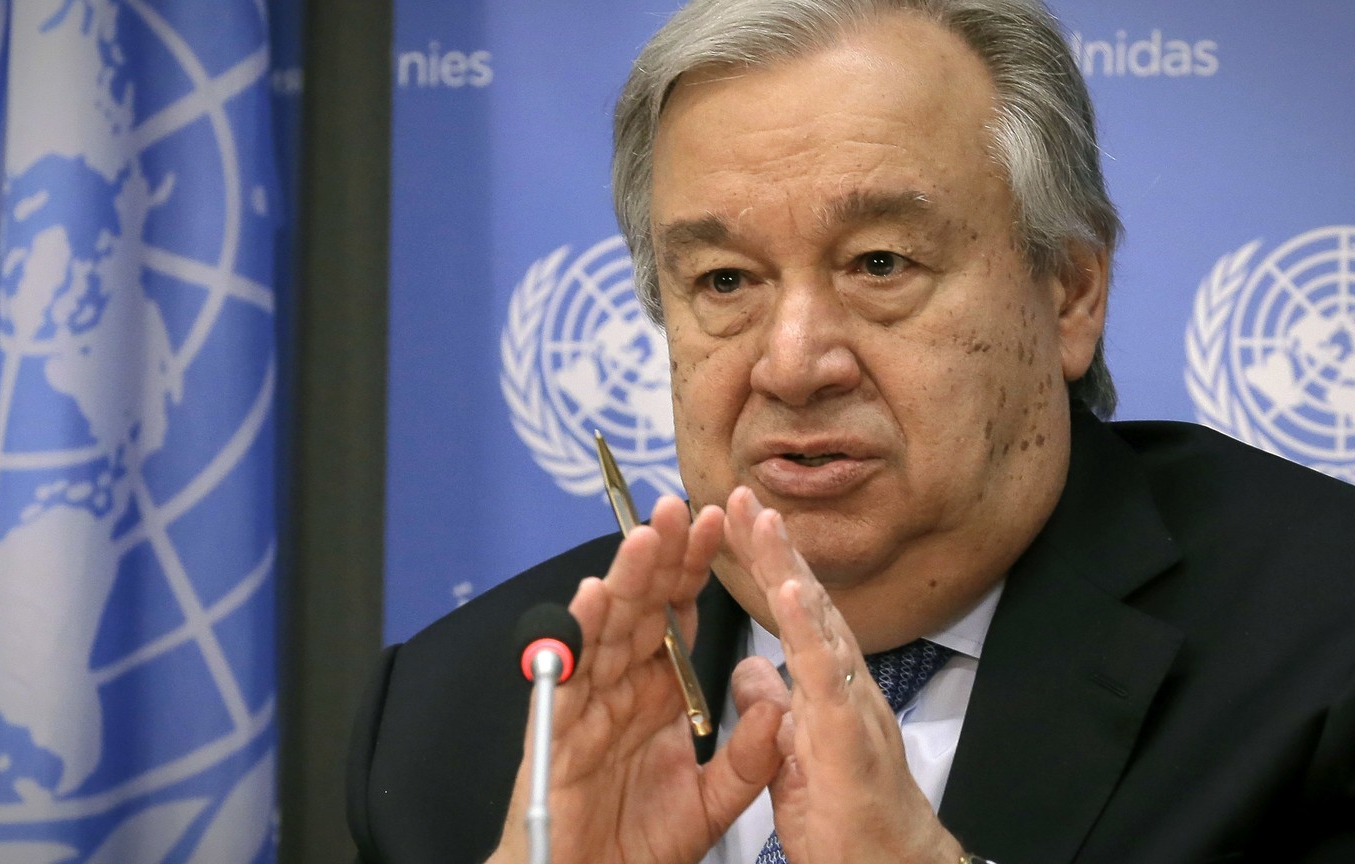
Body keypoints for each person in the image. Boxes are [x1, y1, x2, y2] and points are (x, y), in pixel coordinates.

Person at [347, 0, 1355, 861]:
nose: (792, 364)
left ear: (1070, 294)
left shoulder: (1320, 649)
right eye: (726, 282)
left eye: (880, 264)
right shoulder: (474, 716)